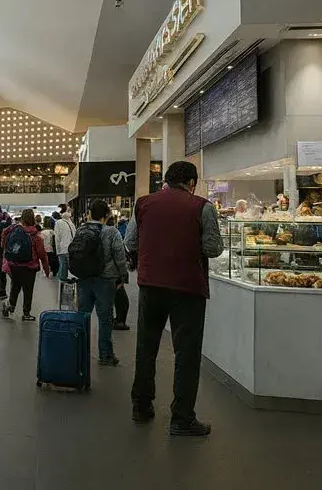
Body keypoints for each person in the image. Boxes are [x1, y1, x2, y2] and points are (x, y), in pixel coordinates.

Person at [125, 161, 223, 437]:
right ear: (191, 182)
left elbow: (130, 243)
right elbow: (213, 248)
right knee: (186, 353)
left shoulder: (142, 204)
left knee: (146, 348)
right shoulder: (202, 206)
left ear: (166, 180)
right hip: (187, 289)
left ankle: (141, 407)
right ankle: (181, 418)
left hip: (150, 287)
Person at [74, 199, 128, 367]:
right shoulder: (111, 232)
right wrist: (123, 276)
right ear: (107, 215)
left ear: (89, 213)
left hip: (84, 279)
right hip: (106, 280)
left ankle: (79, 352)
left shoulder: (81, 229)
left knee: (83, 316)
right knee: (105, 319)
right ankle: (105, 355)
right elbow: (119, 256)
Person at [1, 209, 50, 321]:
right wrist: (47, 270)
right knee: (28, 290)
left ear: (22, 218)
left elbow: (4, 233)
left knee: (15, 286)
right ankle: (26, 313)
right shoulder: (35, 234)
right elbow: (42, 254)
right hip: (30, 266)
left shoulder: (14, 229)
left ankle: (11, 307)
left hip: (14, 264)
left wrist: (4, 247)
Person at [54, 208, 77, 282]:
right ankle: (66, 278)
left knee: (63, 264)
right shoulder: (71, 224)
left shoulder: (58, 223)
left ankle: (62, 280)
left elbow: (57, 237)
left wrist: (57, 250)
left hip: (63, 247)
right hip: (71, 247)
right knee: (68, 264)